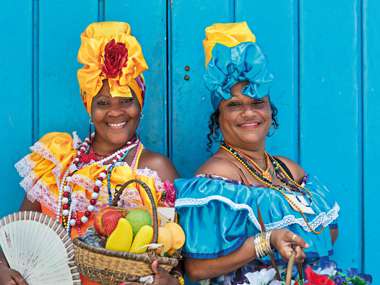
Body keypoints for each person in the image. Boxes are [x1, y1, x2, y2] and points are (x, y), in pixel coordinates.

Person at [0, 22, 181, 285]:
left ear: (140, 104)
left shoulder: (155, 169)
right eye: (103, 103)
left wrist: (167, 281)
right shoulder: (56, 162)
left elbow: (178, 264)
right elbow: (12, 238)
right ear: (89, 107)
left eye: (126, 101)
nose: (115, 112)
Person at [174, 22, 339, 285]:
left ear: (270, 110)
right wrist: (266, 242)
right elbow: (196, 269)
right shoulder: (216, 178)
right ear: (219, 116)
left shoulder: (288, 169)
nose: (248, 113)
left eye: (257, 103)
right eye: (235, 105)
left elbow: (329, 231)